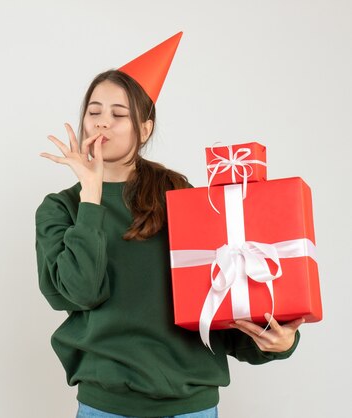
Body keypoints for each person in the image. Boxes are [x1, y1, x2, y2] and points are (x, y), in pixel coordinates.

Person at [34, 33, 304, 418]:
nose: (102, 123)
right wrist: (91, 195)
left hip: (189, 405)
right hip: (106, 405)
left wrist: (277, 341)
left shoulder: (179, 195)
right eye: (94, 112)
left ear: (144, 129)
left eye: (119, 113)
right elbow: (82, 293)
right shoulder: (60, 209)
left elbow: (217, 292)